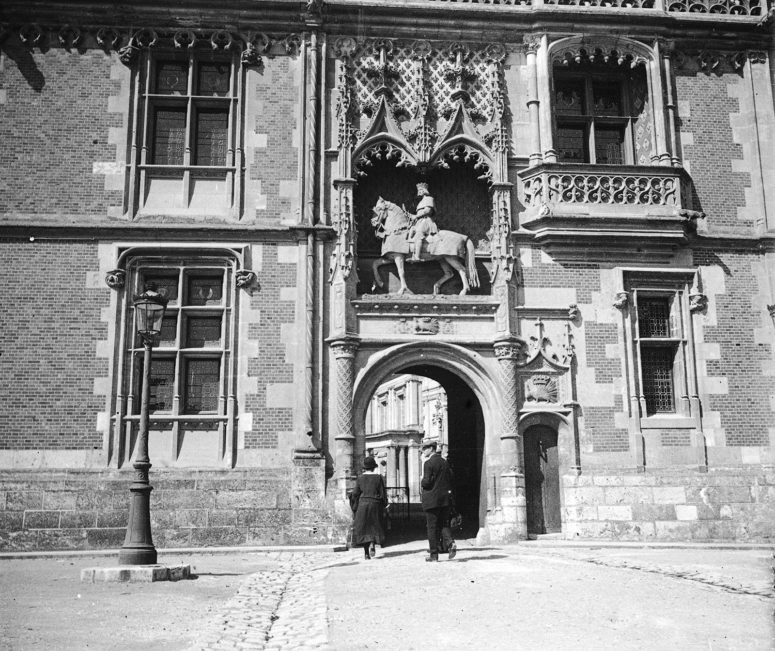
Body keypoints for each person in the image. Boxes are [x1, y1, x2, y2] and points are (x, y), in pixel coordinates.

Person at [420, 438, 457, 562]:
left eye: (424, 448)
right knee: (444, 524)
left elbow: (426, 482)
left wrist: (422, 480)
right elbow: (451, 478)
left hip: (431, 500)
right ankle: (450, 543)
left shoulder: (428, 463)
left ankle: (434, 555)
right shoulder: (444, 462)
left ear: (431, 449)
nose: (423, 451)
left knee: (432, 527)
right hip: (444, 500)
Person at [349, 455, 388, 560]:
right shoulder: (378, 477)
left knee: (363, 528)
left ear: (364, 467)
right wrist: (384, 504)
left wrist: (352, 501)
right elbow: (383, 494)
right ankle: (373, 544)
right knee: (375, 526)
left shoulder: (360, 478)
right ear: (374, 467)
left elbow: (355, 493)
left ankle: (366, 553)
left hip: (363, 505)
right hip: (375, 504)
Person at [407, 182, 439, 262]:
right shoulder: (421, 201)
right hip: (419, 221)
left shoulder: (429, 199)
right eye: (418, 190)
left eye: (420, 190)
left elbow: (427, 211)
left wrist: (416, 216)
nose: (419, 192)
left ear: (424, 190)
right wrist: (410, 215)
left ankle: (417, 256)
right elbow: (418, 214)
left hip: (427, 221)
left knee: (419, 233)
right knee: (411, 230)